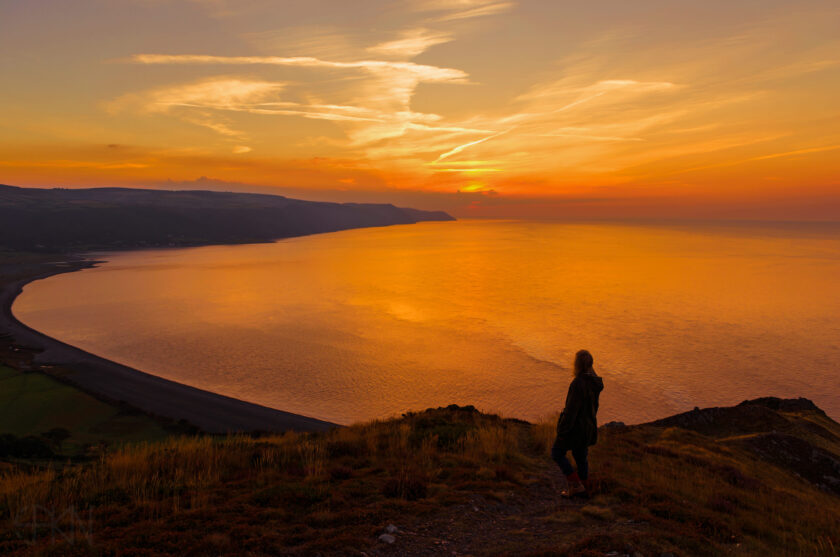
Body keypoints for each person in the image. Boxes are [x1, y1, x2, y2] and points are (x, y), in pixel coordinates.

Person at [551, 349, 604, 498]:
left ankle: (575, 486)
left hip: (576, 428)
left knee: (557, 453)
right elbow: (594, 407)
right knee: (581, 456)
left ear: (577, 365)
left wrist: (562, 431)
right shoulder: (594, 383)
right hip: (588, 426)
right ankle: (585, 488)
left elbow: (571, 411)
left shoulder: (578, 384)